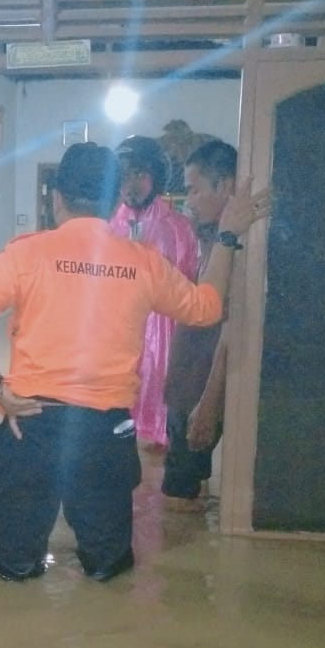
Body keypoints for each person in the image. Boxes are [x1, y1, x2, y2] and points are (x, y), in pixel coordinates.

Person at [0, 142, 269, 583]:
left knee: (11, 567)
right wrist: (228, 235)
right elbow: (206, 308)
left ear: (57, 197)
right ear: (114, 201)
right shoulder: (142, 262)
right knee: (108, 568)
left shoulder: (26, 255)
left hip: (30, 424)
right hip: (105, 432)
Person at [162, 138, 261, 512]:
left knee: (176, 508)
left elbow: (231, 330)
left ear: (225, 187)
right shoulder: (211, 237)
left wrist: (208, 403)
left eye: (194, 189)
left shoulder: (241, 248)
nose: (189, 200)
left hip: (201, 393)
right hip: (186, 387)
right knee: (192, 494)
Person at [108, 135, 200, 449]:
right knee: (116, 421)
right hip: (120, 328)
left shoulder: (178, 227)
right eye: (125, 175)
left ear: (155, 177)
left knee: (159, 423)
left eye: (139, 174)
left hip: (164, 331)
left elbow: (188, 285)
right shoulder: (108, 226)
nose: (131, 184)